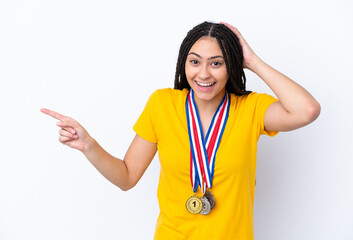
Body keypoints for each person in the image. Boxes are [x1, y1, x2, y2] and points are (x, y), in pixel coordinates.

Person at [41, 21, 321, 239]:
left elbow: (306, 110)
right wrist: (88, 144)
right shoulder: (162, 104)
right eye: (195, 61)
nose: (203, 74)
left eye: (217, 63)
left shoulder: (250, 108)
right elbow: (126, 177)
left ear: (231, 65)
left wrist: (253, 61)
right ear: (184, 62)